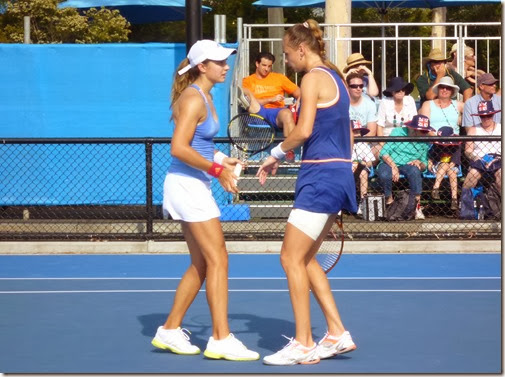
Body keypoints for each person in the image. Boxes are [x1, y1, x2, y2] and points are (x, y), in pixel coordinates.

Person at [255, 19, 357, 366]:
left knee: (289, 258)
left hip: (321, 177)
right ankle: (337, 332)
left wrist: (273, 155)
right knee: (307, 258)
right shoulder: (338, 79)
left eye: (286, 54)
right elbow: (345, 133)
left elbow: (303, 130)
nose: (286, 61)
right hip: (338, 172)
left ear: (301, 48)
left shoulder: (312, 78)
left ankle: (304, 343)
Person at [152, 39, 259, 362]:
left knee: (202, 263)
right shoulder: (192, 98)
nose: (226, 66)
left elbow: (198, 145)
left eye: (225, 61)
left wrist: (222, 160)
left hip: (192, 183)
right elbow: (178, 148)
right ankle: (220, 337)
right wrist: (216, 170)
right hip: (186, 186)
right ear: (202, 66)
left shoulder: (206, 96)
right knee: (219, 259)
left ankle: (169, 330)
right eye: (219, 62)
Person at [418, 76, 464, 210]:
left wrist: (461, 119)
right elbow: (424, 127)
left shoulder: (459, 105)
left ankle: (444, 193)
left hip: (453, 145)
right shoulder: (428, 104)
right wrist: (435, 136)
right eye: (442, 87)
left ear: (452, 91)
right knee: (450, 168)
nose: (444, 90)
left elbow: (472, 115)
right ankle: (452, 198)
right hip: (434, 142)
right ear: (437, 89)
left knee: (452, 163)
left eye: (448, 88)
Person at [377, 114, 434, 220]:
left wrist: (419, 163)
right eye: (423, 131)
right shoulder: (398, 132)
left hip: (408, 164)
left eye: (426, 131)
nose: (425, 133)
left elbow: (424, 164)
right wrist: (393, 167)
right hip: (390, 161)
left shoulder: (424, 140)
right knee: (384, 174)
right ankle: (390, 203)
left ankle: (416, 205)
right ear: (414, 129)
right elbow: (384, 152)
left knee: (415, 171)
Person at [461, 100, 501, 200]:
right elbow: (468, 151)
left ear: (493, 115)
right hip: (480, 161)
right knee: (473, 174)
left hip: (498, 160)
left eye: (489, 115)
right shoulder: (473, 129)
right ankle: (464, 205)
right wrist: (475, 157)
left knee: (501, 174)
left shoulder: (501, 128)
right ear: (479, 116)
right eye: (483, 116)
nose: (486, 118)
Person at [427, 127, 462, 211]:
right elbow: (431, 157)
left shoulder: (456, 145)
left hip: (452, 167)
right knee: (444, 165)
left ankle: (454, 199)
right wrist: (430, 163)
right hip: (439, 166)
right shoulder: (436, 145)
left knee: (452, 172)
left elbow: (454, 162)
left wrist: (450, 166)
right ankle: (436, 188)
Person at [351, 120, 376, 216]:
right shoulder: (344, 144)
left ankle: (362, 202)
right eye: (354, 131)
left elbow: (370, 162)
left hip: (362, 167)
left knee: (363, 173)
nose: (357, 134)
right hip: (348, 167)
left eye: (358, 132)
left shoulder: (363, 145)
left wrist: (363, 163)